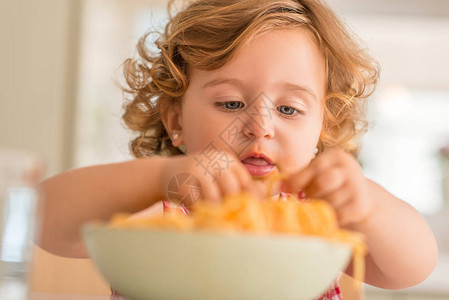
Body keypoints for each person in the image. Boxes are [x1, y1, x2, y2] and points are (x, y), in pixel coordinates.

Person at [39, 0, 438, 299]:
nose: (261, 126)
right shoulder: (160, 209)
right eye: (231, 104)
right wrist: (158, 177)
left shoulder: (319, 220)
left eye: (288, 109)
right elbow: (42, 219)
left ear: (322, 127)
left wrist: (365, 203)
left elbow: (412, 267)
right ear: (176, 121)